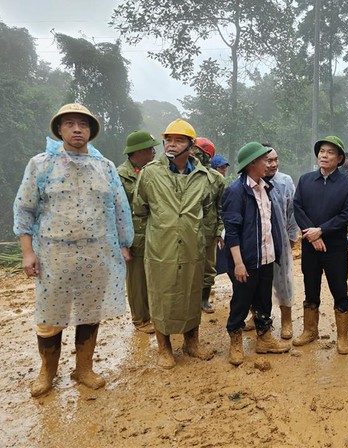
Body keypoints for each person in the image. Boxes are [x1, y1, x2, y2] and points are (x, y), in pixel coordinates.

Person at [14, 103, 134, 397]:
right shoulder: (41, 164)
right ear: (59, 130)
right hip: (54, 255)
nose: (77, 129)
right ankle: (47, 372)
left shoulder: (104, 167)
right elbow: (24, 209)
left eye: (83, 124)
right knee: (50, 317)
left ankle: (84, 368)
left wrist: (123, 244)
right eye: (69, 124)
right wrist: (27, 252)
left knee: (89, 312)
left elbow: (120, 209)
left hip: (96, 254)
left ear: (91, 130)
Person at [133, 119, 214, 369]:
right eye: (168, 139)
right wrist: (142, 243)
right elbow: (140, 209)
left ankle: (192, 342)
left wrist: (204, 238)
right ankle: (164, 348)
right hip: (160, 248)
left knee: (191, 293)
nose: (171, 144)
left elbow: (209, 210)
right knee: (161, 296)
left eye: (179, 140)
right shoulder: (150, 173)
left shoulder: (203, 176)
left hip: (192, 247)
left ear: (191, 146)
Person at [222, 142, 290, 366]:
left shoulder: (265, 188)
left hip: (266, 257)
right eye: (264, 160)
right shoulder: (236, 191)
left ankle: (264, 339)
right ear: (252, 164)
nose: (269, 164)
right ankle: (235, 342)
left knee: (263, 300)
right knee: (241, 302)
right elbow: (232, 231)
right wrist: (238, 263)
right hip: (246, 261)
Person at [293, 136, 348, 355]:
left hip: (335, 247)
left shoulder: (347, 184)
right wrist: (312, 234)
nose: (324, 155)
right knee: (311, 288)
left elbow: (346, 215)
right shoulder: (305, 180)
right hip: (311, 246)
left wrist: (322, 230)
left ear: (339, 158)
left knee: (339, 289)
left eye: (330, 152)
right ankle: (310, 330)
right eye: (321, 151)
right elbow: (297, 207)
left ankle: (342, 336)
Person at [117, 130, 159, 334]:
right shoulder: (120, 175)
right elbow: (115, 211)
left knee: (152, 277)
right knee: (136, 281)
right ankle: (140, 319)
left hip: (152, 234)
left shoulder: (153, 171)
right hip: (133, 236)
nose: (153, 152)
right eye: (150, 149)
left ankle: (151, 313)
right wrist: (122, 243)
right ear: (137, 152)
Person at [263, 143, 299, 339]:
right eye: (269, 160)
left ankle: (286, 321)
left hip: (281, 239)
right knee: (258, 282)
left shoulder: (285, 181)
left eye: (276, 159)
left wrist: (292, 236)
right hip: (258, 242)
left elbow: (292, 210)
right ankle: (258, 317)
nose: (274, 164)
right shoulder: (251, 181)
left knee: (283, 280)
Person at [194, 137, 225, 314]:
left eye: (197, 152)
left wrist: (219, 230)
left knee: (208, 268)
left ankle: (204, 300)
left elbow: (220, 207)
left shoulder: (216, 179)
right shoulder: (179, 175)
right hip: (185, 231)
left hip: (208, 230)